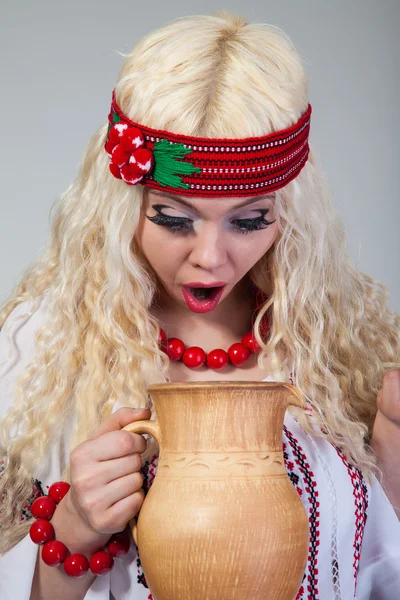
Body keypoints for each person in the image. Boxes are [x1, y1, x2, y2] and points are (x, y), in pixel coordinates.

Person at [0, 11, 399, 600]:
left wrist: (390, 447)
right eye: (173, 218)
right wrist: (73, 530)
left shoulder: (344, 343)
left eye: (249, 219)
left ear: (288, 212)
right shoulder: (43, 348)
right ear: (122, 202)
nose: (210, 257)